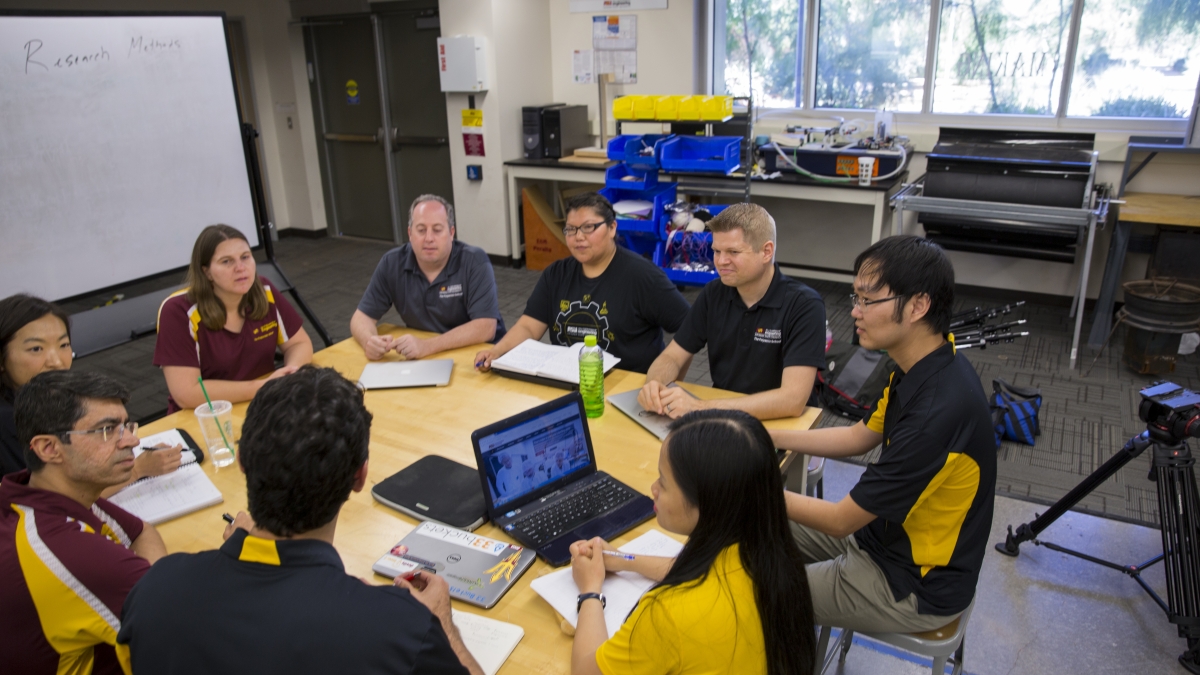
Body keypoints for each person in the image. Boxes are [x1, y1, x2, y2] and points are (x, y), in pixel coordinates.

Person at [116, 366, 483, 675]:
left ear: (242, 460)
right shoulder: (398, 629)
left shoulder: (155, 589)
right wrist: (443, 625)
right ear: (360, 477)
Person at [771, 236, 996, 633]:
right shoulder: (922, 362)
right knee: (746, 520)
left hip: (911, 585)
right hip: (877, 539)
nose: (854, 312)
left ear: (918, 305)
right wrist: (767, 435)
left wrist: (747, 483)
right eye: (855, 298)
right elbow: (859, 435)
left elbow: (841, 520)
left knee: (749, 594)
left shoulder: (937, 414)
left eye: (867, 300)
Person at [568, 409, 815, 675]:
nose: (653, 488)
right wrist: (625, 560)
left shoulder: (666, 613)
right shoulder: (772, 555)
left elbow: (586, 671)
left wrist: (590, 590)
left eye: (663, 481)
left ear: (705, 502)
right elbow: (699, 572)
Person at [0, 370, 167, 675]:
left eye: (126, 425)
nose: (132, 439)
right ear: (49, 448)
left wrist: (153, 583)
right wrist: (159, 586)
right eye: (106, 430)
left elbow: (143, 530)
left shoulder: (43, 493)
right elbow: (180, 620)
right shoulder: (62, 548)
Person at [639, 203, 826, 420]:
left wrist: (700, 408)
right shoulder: (714, 293)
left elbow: (792, 400)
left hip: (780, 423)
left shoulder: (804, 305)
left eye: (733, 252)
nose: (720, 261)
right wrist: (654, 385)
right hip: (723, 417)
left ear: (766, 251)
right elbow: (672, 356)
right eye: (717, 251)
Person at [475, 192, 690, 374]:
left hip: (626, 387)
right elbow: (528, 327)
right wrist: (498, 351)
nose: (578, 237)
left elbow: (689, 328)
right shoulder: (556, 274)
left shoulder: (643, 277)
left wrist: (667, 380)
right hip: (567, 382)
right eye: (571, 229)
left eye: (588, 227)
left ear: (612, 228)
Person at [1, 294, 181, 484]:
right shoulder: (8, 421)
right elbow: (48, 491)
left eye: (63, 345)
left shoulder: (46, 399)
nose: (56, 361)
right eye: (36, 349)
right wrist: (138, 469)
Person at [154, 224, 313, 413]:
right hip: (206, 416)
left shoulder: (264, 290)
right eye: (226, 261)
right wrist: (264, 387)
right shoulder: (178, 311)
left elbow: (299, 344)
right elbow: (186, 393)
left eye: (245, 257)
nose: (240, 268)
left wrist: (290, 376)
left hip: (262, 405)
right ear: (206, 272)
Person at [351, 194, 506, 360]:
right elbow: (360, 318)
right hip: (425, 356)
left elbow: (485, 327)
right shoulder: (392, 263)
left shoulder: (475, 261)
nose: (429, 238)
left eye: (437, 230)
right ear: (410, 233)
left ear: (451, 233)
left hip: (480, 355)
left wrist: (427, 346)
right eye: (421, 230)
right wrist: (369, 341)